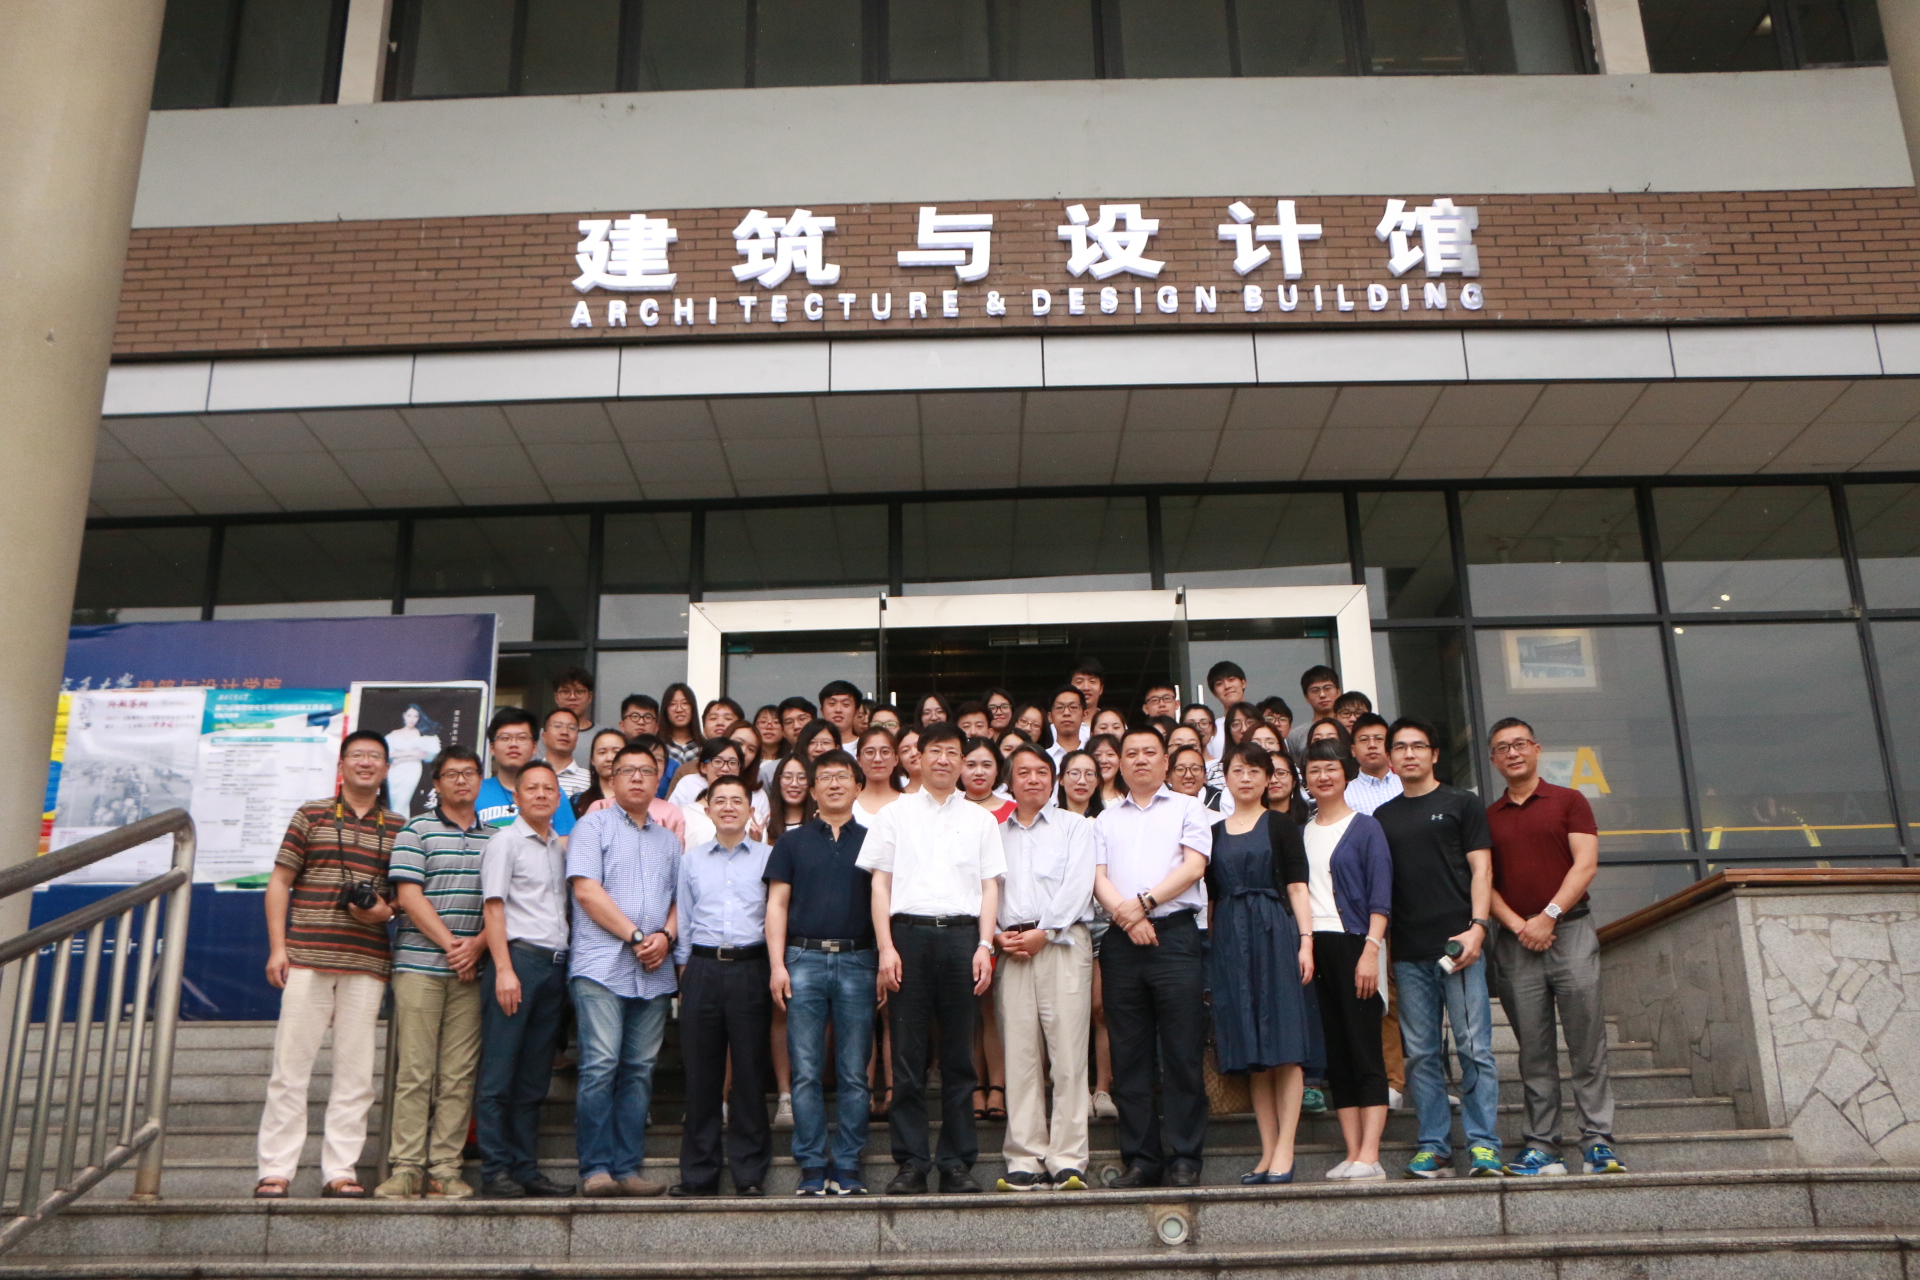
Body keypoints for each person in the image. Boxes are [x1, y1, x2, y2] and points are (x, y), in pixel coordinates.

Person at [253, 731, 404, 1201]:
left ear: (386, 768)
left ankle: (340, 1171)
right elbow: (280, 882)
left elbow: (403, 897)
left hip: (367, 961)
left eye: (375, 757)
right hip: (308, 956)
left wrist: (385, 912)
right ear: (341, 764)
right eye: (357, 755)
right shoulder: (311, 814)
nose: (366, 763)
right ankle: (275, 1170)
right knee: (289, 1069)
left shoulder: (400, 826)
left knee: (356, 1076)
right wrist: (278, 948)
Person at [856, 721, 1005, 1195]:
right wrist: (886, 947)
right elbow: (879, 885)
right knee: (907, 1058)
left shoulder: (981, 820)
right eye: (935, 751)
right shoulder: (894, 815)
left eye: (953, 753)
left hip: (962, 938)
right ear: (917, 757)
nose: (944, 760)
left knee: (960, 1058)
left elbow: (989, 887)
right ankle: (912, 1163)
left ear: (963, 762)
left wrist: (984, 945)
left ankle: (956, 1163)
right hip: (908, 938)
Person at [1485, 718, 1623, 1177]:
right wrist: (1518, 925)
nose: (1513, 753)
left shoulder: (1569, 800)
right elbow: (1482, 881)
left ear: (1537, 749)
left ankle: (1598, 1142)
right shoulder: (1487, 817)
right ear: (1493, 759)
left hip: (1572, 933)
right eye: (1503, 748)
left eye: (1520, 744)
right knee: (1533, 1050)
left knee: (1587, 1042)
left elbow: (1586, 865)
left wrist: (1548, 916)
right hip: (1515, 943)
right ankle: (1542, 1145)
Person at [1375, 716, 1502, 1179]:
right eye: (1400, 747)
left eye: (1418, 746)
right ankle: (1434, 1145)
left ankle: (1483, 1145)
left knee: (1474, 1047)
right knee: (1421, 1054)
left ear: (1434, 754)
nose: (1409, 754)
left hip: (1460, 946)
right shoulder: (1383, 817)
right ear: (1390, 758)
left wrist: (1478, 928)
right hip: (1409, 952)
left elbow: (1483, 870)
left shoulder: (1461, 803)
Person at [1093, 727, 1213, 1188]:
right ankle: (1142, 1159)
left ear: (1166, 762)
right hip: (1122, 942)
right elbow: (1097, 877)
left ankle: (1185, 1157)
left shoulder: (1188, 807)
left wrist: (1143, 904)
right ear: (1119, 764)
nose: (1140, 760)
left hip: (1175, 938)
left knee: (1181, 1050)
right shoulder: (1106, 819)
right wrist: (1128, 920)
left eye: (1149, 752)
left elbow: (1194, 866)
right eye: (1131, 754)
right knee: (1129, 1054)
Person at [375, 746, 489, 1200]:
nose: (462, 781)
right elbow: (408, 896)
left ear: (480, 780)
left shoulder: (497, 838)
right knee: (415, 1072)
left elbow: (505, 903)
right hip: (420, 967)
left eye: (470, 773)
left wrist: (477, 946)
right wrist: (453, 945)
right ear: (436, 784)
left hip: (471, 971)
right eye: (452, 774)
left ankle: (444, 1168)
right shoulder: (415, 830)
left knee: (459, 1075)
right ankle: (406, 1168)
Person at [566, 746, 679, 1198]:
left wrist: (665, 936)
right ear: (611, 779)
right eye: (626, 770)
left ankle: (627, 1167)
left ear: (657, 782)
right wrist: (635, 937)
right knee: (600, 1064)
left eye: (645, 771)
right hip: (601, 965)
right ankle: (596, 1168)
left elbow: (680, 900)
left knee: (639, 1069)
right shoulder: (591, 826)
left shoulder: (669, 840)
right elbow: (586, 892)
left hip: (654, 969)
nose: (636, 778)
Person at [1206, 743, 1316, 1185]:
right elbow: (1212, 899)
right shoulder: (1213, 832)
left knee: (1284, 1044)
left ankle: (1286, 1148)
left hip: (1274, 933)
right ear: (1226, 777)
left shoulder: (1282, 825)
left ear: (1269, 778)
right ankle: (1267, 1150)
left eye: (1255, 770)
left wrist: (1305, 942)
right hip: (1231, 940)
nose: (1246, 778)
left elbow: (1298, 887)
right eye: (1238, 770)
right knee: (1252, 1048)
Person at [767, 750, 875, 1196]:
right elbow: (777, 905)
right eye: (825, 777)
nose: (834, 784)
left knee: (854, 1071)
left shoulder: (874, 840)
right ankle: (811, 1164)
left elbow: (885, 904)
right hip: (803, 959)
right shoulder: (791, 842)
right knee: (806, 1070)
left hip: (859, 961)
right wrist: (777, 965)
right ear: (811, 790)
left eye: (842, 777)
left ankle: (848, 1163)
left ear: (858, 786)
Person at [992, 746, 1097, 1191]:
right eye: (1023, 773)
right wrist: (995, 933)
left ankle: (1068, 1158)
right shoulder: (993, 832)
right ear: (1010, 782)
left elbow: (1079, 885)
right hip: (1011, 947)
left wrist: (1047, 930)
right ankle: (1024, 1157)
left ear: (1053, 780)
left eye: (1041, 772)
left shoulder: (1076, 826)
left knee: (1068, 1055)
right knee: (1020, 1055)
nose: (1033, 779)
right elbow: (983, 888)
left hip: (1063, 942)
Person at [475, 761, 577, 1199]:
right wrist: (503, 969)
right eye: (531, 788)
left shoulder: (559, 847)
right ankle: (495, 1170)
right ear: (515, 798)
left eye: (548, 789)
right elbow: (493, 907)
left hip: (554, 968)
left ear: (559, 798)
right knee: (499, 1072)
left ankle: (526, 1168)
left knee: (535, 1076)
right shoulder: (505, 842)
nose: (540, 795)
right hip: (518, 962)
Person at [669, 777, 774, 1196]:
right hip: (702, 968)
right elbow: (685, 918)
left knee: (749, 1073)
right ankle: (699, 1174)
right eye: (720, 801)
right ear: (708, 809)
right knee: (701, 1076)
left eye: (737, 801)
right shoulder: (690, 861)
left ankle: (749, 1173)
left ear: (751, 809)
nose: (729, 807)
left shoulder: (769, 858)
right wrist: (684, 978)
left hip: (752, 968)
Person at [1299, 739, 1394, 1181]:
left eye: (1330, 768)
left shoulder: (1366, 827)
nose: (1323, 776)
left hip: (1356, 945)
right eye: (1314, 770)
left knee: (1364, 1049)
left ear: (1346, 773)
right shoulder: (1302, 830)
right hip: (1315, 949)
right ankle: (1353, 1151)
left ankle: (1371, 1154)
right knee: (1336, 1053)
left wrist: (1371, 950)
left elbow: (1381, 896)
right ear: (1305, 778)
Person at [478, 708, 575, 837]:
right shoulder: (475, 792)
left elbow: (565, 841)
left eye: (522, 738)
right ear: (492, 748)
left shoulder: (551, 793)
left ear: (534, 747)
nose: (513, 744)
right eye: (505, 738)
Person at [383, 703, 441, 817]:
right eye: (409, 715)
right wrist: (409, 753)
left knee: (404, 799)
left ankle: (401, 821)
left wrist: (402, 758)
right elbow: (387, 753)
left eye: (415, 716)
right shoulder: (394, 734)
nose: (412, 719)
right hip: (395, 770)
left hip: (412, 769)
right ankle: (394, 822)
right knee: (394, 799)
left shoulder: (422, 734)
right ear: (404, 715)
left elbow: (427, 755)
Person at [1344, 713, 1402, 816]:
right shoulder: (1345, 795)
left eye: (1379, 738)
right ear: (1353, 750)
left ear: (1389, 746)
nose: (1372, 745)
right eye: (1364, 739)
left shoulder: (1406, 785)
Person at [852, 726, 903, 826]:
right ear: (858, 760)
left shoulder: (910, 804)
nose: (877, 759)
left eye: (885, 752)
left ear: (896, 759)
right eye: (869, 752)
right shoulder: (848, 804)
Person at [574, 728, 628, 818]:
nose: (609, 758)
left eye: (616, 752)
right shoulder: (578, 801)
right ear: (592, 759)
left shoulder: (637, 799)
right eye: (602, 752)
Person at [1291, 666, 1343, 758]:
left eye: (1327, 688)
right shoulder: (1295, 736)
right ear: (1306, 697)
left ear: (1338, 691)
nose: (1322, 695)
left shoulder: (1348, 727)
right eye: (1315, 690)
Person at [962, 736, 1015, 823]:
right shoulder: (947, 809)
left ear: (997, 769)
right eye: (971, 765)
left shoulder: (1014, 812)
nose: (979, 772)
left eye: (986, 765)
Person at [541, 707, 591, 799]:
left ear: (577, 738)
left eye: (572, 728)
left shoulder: (590, 779)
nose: (564, 732)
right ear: (544, 736)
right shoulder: (528, 775)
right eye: (557, 726)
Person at [766, 754, 816, 843]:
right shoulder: (765, 824)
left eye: (802, 778)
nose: (794, 784)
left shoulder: (819, 823)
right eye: (787, 777)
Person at [661, 683, 701, 770]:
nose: (679, 709)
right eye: (672, 704)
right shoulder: (658, 747)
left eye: (685, 703)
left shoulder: (704, 747)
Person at [1266, 747, 1309, 824]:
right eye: (1267, 774)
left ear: (1294, 780)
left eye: (1281, 773)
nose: (1273, 780)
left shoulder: (1309, 819)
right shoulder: (1250, 822)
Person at [1045, 685, 1086, 764]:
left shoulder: (1093, 755)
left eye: (1073, 707)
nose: (1066, 713)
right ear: (1050, 717)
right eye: (1060, 707)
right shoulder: (1043, 758)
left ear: (1084, 715)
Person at [1056, 749, 1102, 818]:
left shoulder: (1105, 820)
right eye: (1075, 773)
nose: (1082, 781)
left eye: (1089, 774)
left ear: (1097, 781)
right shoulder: (1050, 819)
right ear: (1061, 779)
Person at [551, 666, 596, 735]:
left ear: (590, 697)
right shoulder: (541, 736)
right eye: (565, 691)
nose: (572, 697)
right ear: (556, 697)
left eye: (579, 692)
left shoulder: (606, 736)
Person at [1087, 733, 1124, 810]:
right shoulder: (1081, 797)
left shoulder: (1131, 796)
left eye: (1110, 754)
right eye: (1097, 755)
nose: (1103, 761)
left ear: (1120, 760)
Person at [895, 726, 924, 794]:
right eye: (905, 750)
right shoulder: (898, 797)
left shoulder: (947, 791)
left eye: (918, 746)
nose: (914, 753)